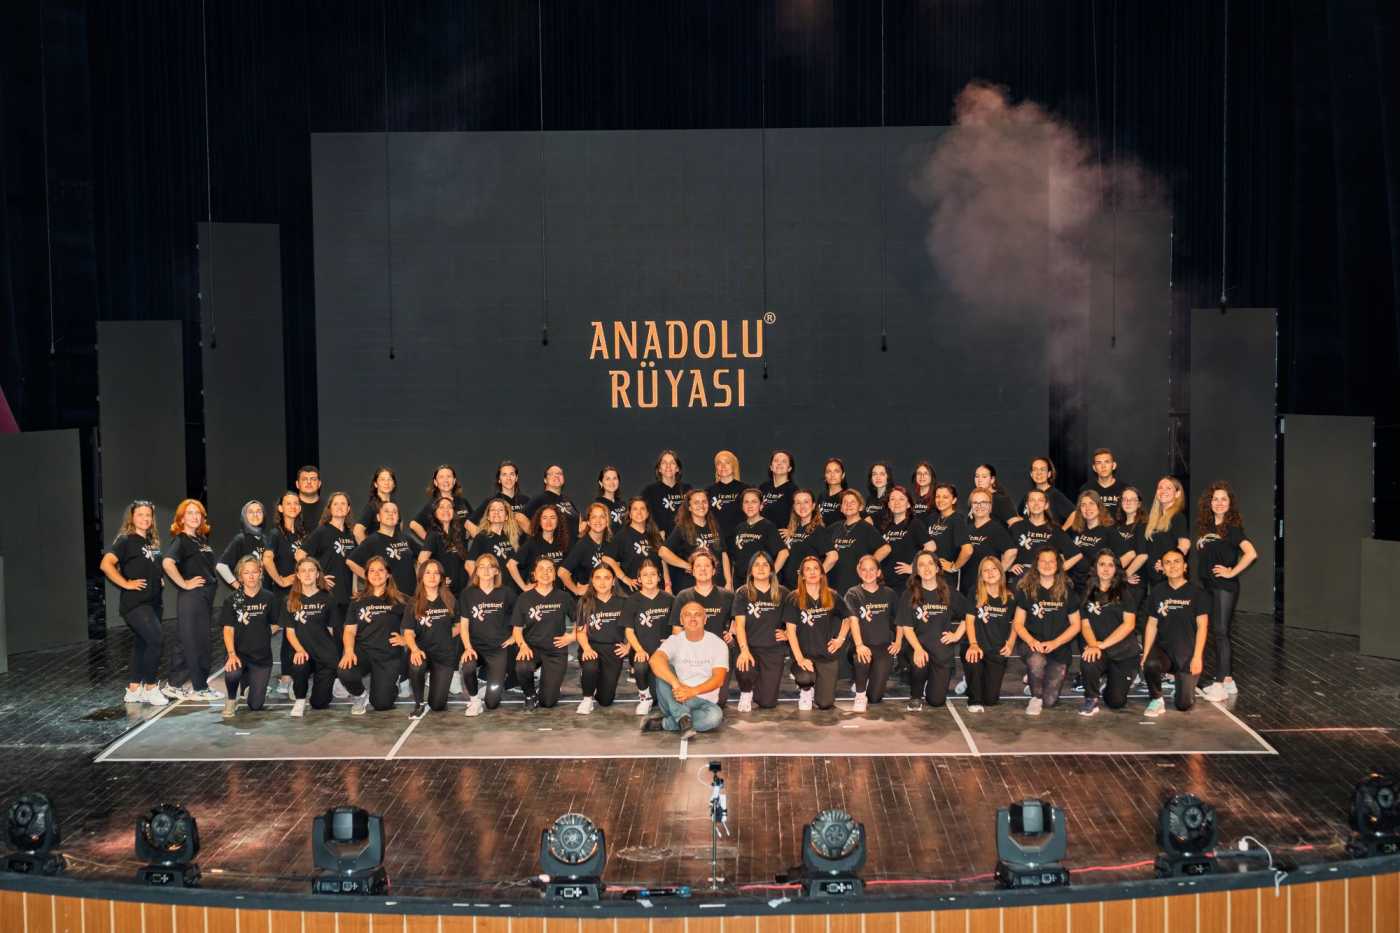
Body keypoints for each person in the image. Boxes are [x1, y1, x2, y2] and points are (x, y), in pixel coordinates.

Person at [100, 500, 167, 706]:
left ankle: (133, 689)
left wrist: (158, 578)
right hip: (136, 603)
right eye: (140, 515)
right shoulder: (125, 540)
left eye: (148, 515)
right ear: (132, 518)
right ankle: (150, 688)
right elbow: (106, 564)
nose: (145, 518)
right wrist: (126, 583)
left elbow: (151, 566)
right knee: (156, 640)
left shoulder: (151, 542)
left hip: (154, 602)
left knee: (142, 643)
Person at [1195, 481, 1257, 701]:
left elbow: (1251, 553)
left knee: (1221, 632)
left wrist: (1232, 572)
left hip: (1224, 587)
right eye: (1215, 499)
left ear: (1230, 503)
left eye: (1224, 499)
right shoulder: (1206, 528)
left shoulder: (1232, 529)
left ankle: (1219, 684)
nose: (1219, 503)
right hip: (1208, 585)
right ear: (1209, 503)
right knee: (1217, 632)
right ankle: (1229, 681)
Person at [641, 601, 728, 739]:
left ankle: (666, 723)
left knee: (714, 717)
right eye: (687, 615)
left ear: (705, 619)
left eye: (697, 614)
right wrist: (677, 685)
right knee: (663, 668)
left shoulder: (718, 644)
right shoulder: (674, 640)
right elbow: (654, 660)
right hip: (675, 698)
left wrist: (692, 691)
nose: (692, 618)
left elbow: (718, 680)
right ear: (681, 620)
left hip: (702, 701)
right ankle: (682, 717)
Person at [1011, 547, 1082, 715]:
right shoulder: (1026, 590)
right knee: (1037, 661)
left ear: (1058, 565)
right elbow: (1018, 623)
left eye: (1051, 561)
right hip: (1033, 645)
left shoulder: (1068, 591)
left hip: (1058, 647)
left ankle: (1035, 681)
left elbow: (1076, 625)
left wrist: (1055, 643)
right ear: (1036, 564)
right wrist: (1031, 641)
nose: (1047, 565)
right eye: (1043, 561)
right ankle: (1035, 697)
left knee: (1049, 701)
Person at [896, 551, 971, 710]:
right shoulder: (909, 594)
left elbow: (969, 614)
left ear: (937, 568)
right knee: (919, 663)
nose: (926, 568)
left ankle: (930, 681)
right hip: (918, 646)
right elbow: (907, 627)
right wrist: (917, 649)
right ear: (916, 570)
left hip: (941, 651)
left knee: (936, 701)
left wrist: (957, 635)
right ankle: (916, 695)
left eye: (930, 563)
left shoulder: (949, 592)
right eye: (921, 565)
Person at [161, 499, 219, 700]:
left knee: (184, 640)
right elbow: (168, 563)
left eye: (198, 513)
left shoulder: (200, 539)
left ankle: (173, 685)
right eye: (190, 513)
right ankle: (200, 688)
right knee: (197, 641)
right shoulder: (182, 539)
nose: (195, 517)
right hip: (192, 597)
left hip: (203, 597)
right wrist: (184, 583)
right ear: (182, 518)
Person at [1141, 549, 1210, 716]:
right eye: (1168, 562)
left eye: (1177, 561)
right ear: (1163, 568)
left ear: (1185, 566)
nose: (1172, 566)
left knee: (1184, 705)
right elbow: (1152, 624)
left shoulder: (1197, 593)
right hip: (1164, 651)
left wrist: (1197, 657)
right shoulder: (1157, 591)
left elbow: (1203, 626)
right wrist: (1146, 653)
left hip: (1187, 654)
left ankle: (1180, 683)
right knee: (1150, 664)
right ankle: (1157, 699)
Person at [337, 555, 408, 714]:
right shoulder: (357, 600)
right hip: (363, 652)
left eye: (381, 570)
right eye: (372, 571)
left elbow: (420, 621)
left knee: (382, 704)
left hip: (388, 655)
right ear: (366, 575)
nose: (376, 574)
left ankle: (395, 680)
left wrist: (406, 640)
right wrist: (348, 652)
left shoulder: (400, 599)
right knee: (345, 671)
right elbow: (349, 630)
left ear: (388, 574)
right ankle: (360, 695)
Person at [1078, 550, 1142, 715]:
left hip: (1123, 652)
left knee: (1116, 702)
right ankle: (1091, 698)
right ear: (1095, 567)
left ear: (1116, 569)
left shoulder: (1125, 592)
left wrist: (1102, 645)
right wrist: (1094, 645)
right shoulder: (1086, 592)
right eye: (1102, 564)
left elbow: (1128, 625)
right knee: (1089, 659)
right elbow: (1085, 625)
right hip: (1099, 648)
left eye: (1110, 565)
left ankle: (1110, 684)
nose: (1106, 569)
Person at [668, 550, 735, 704]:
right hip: (691, 655)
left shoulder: (728, 596)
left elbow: (737, 622)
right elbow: (677, 630)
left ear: (714, 570)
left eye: (707, 566)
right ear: (692, 571)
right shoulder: (683, 596)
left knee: (719, 701)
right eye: (698, 566)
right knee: (689, 698)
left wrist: (732, 633)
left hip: (718, 655)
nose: (703, 569)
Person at [782, 556, 848, 711]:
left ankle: (818, 686)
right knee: (805, 677)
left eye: (816, 568)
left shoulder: (832, 595)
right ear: (802, 575)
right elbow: (790, 631)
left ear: (822, 573)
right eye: (808, 569)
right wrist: (800, 658)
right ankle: (806, 690)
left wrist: (840, 639)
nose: (812, 572)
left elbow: (848, 617)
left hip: (826, 656)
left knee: (825, 704)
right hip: (805, 655)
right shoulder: (794, 597)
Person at [510, 557, 576, 709]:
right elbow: (517, 629)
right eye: (541, 569)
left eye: (550, 570)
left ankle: (548, 686)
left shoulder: (564, 597)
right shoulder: (524, 598)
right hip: (531, 647)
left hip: (556, 650)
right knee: (523, 666)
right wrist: (523, 646)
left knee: (548, 702)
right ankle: (530, 694)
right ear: (534, 574)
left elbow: (579, 622)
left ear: (554, 575)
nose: (545, 573)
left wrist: (572, 636)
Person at [282, 556, 344, 716]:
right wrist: (299, 650)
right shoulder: (290, 600)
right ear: (297, 575)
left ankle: (327, 684)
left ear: (317, 574)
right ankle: (300, 699)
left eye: (311, 570)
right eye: (303, 571)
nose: (307, 574)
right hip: (303, 652)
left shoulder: (328, 598)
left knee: (319, 703)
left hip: (324, 654)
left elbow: (333, 631)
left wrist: (335, 658)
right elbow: (290, 632)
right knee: (300, 664)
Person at [457, 554, 518, 716]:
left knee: (492, 703)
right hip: (475, 646)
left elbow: (521, 617)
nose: (486, 570)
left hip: (498, 648)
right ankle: (474, 700)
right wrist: (468, 648)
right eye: (481, 567)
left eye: (490, 567)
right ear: (476, 571)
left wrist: (514, 636)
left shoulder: (506, 593)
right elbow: (464, 625)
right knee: (468, 666)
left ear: (496, 571)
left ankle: (491, 688)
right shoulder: (467, 594)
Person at [220, 555, 279, 718]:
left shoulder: (269, 597)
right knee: (233, 672)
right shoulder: (232, 599)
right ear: (240, 577)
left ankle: (249, 686)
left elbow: (275, 624)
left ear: (260, 573)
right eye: (246, 573)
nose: (251, 576)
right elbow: (228, 629)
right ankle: (231, 699)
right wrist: (231, 654)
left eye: (254, 572)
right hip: (238, 654)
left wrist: (262, 634)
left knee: (255, 705)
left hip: (261, 657)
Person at [400, 560, 459, 718]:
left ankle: (435, 684)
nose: (432, 576)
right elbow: (408, 632)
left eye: (436, 573)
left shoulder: (450, 599)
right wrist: (414, 649)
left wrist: (443, 636)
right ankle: (419, 703)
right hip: (422, 652)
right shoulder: (413, 603)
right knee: (416, 664)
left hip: (444, 655)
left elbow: (459, 625)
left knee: (438, 705)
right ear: (421, 577)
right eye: (428, 572)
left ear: (441, 577)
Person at [732, 551, 789, 712]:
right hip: (750, 647)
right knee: (745, 668)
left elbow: (794, 620)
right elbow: (739, 626)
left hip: (773, 650)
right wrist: (744, 650)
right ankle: (746, 692)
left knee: (767, 702)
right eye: (756, 565)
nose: (761, 568)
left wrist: (787, 633)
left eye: (765, 564)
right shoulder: (743, 593)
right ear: (751, 570)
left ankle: (758, 688)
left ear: (771, 569)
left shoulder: (783, 593)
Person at [261, 491, 305, 696]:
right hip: (284, 593)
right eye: (288, 503)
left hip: (302, 591)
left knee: (298, 634)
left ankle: (295, 676)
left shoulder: (303, 534)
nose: (293, 506)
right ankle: (284, 678)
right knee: (287, 634)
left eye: (296, 503)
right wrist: (279, 579)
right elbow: (267, 559)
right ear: (280, 508)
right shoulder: (275, 534)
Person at [621, 558, 676, 717]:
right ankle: (644, 698)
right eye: (645, 575)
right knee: (640, 666)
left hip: (664, 653)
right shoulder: (632, 601)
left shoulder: (670, 599)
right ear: (639, 579)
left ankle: (658, 693)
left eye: (653, 574)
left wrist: (671, 642)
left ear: (659, 577)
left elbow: (677, 627)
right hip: (643, 651)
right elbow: (629, 631)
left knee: (660, 700)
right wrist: (638, 649)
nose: (649, 578)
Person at [963, 557, 1018, 712]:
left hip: (996, 650)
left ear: (1001, 572)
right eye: (985, 570)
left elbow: (1017, 622)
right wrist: (973, 644)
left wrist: (1010, 643)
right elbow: (969, 620)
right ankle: (973, 697)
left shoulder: (1011, 596)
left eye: (994, 569)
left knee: (990, 700)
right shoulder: (975, 593)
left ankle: (973, 682)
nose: (990, 573)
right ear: (981, 575)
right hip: (976, 647)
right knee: (977, 694)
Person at [845, 555, 900, 711]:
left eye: (872, 569)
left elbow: (900, 620)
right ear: (859, 572)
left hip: (882, 646)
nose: (868, 573)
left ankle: (867, 680)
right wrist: (859, 645)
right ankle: (860, 694)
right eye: (864, 569)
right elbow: (853, 620)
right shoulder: (853, 593)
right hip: (861, 644)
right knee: (861, 659)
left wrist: (898, 641)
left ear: (878, 572)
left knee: (875, 698)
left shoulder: (889, 593)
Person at [574, 564, 629, 713]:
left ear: (613, 581)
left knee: (605, 700)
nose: (602, 582)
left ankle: (594, 681)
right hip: (591, 646)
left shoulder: (624, 602)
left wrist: (628, 646)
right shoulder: (585, 602)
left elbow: (632, 629)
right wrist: (586, 649)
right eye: (598, 578)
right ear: (592, 580)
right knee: (590, 666)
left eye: (607, 578)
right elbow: (580, 632)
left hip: (613, 650)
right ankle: (587, 699)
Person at [347, 500, 424, 596]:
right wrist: (372, 580)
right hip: (386, 597)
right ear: (378, 517)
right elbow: (351, 562)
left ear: (398, 518)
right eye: (386, 511)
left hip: (410, 596)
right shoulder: (372, 541)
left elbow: (424, 556)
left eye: (394, 512)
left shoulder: (406, 538)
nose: (391, 514)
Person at [660, 489, 729, 592]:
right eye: (696, 502)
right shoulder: (682, 528)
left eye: (704, 501)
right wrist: (687, 565)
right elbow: (663, 552)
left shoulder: (715, 526)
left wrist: (729, 582)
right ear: (689, 507)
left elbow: (724, 555)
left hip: (716, 584)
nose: (701, 505)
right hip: (691, 585)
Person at [1065, 491, 1133, 593]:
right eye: (1083, 505)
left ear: (1099, 507)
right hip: (1073, 585)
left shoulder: (1108, 531)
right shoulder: (1075, 529)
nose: (1087, 508)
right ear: (1079, 509)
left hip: (1095, 587)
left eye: (1091, 504)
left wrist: (1114, 574)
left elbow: (1130, 554)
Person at [824, 489, 888, 594]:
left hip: (856, 585)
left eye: (852, 502)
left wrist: (868, 566)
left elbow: (886, 548)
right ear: (841, 508)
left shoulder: (866, 528)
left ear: (860, 507)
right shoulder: (834, 528)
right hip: (833, 584)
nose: (848, 505)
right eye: (845, 502)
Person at [301, 492, 357, 613]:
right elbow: (300, 554)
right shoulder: (322, 531)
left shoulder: (351, 535)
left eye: (343, 504)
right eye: (335, 504)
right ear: (330, 509)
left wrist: (355, 589)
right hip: (327, 594)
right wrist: (317, 579)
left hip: (347, 596)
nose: (339, 507)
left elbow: (354, 564)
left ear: (348, 509)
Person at [877, 485, 933, 593]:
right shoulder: (884, 526)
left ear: (908, 504)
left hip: (906, 584)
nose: (896, 502)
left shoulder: (914, 524)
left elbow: (931, 546)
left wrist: (914, 568)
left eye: (901, 499)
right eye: (892, 499)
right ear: (888, 504)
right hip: (885, 583)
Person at [727, 488, 786, 590]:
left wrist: (770, 575)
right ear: (742, 506)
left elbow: (784, 553)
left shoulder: (768, 527)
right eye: (746, 502)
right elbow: (733, 560)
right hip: (740, 584)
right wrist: (731, 582)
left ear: (761, 506)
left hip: (760, 583)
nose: (750, 505)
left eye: (754, 502)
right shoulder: (739, 528)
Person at [1139, 477, 1193, 588]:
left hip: (1170, 579)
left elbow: (1185, 545)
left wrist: (1167, 564)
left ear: (1177, 493)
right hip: (1155, 579)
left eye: (1168, 488)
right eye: (1160, 488)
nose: (1163, 491)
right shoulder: (1154, 519)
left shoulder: (1177, 517)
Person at [605, 496, 666, 592]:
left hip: (657, 590)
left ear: (647, 513)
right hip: (633, 592)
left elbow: (663, 561)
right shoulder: (622, 536)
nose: (639, 512)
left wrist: (668, 584)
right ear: (630, 514)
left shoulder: (655, 535)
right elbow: (607, 558)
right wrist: (624, 578)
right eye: (635, 509)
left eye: (642, 509)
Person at [961, 489, 1016, 595]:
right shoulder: (967, 529)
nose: (979, 506)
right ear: (971, 506)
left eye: (983, 502)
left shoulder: (996, 528)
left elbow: (1012, 551)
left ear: (990, 506)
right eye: (975, 503)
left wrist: (997, 574)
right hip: (967, 587)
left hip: (987, 589)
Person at [1009, 488, 1073, 580]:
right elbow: (1004, 551)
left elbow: (1076, 555)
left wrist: (1058, 570)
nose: (1036, 504)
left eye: (1040, 500)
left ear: (1046, 505)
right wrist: (1009, 566)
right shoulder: (1016, 527)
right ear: (1027, 505)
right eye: (1032, 500)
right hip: (1021, 576)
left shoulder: (1055, 529)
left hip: (1046, 578)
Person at [507, 503, 573, 591]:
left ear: (558, 521)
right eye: (544, 518)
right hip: (539, 593)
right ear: (540, 522)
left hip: (558, 592)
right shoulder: (532, 542)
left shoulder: (563, 541)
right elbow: (511, 564)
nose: (548, 521)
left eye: (552, 518)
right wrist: (524, 587)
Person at [779, 490, 830, 589]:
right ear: (794, 507)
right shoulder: (793, 529)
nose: (802, 506)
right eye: (798, 503)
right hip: (789, 587)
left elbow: (833, 556)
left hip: (807, 588)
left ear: (813, 506)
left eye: (806, 502)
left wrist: (815, 576)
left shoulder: (818, 530)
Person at [408, 465, 473, 542]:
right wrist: (431, 542)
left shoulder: (463, 502)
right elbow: (413, 524)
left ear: (454, 481)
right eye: (441, 477)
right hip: (443, 550)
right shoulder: (433, 505)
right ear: (435, 482)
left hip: (462, 549)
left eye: (449, 476)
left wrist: (470, 533)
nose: (446, 480)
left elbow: (475, 522)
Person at [466, 497, 521, 587]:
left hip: (510, 589)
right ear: (488, 516)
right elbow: (469, 564)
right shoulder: (482, 537)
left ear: (506, 516)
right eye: (493, 510)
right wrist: (482, 584)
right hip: (492, 588)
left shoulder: (511, 537)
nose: (496, 512)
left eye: (500, 510)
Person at [560, 502, 613, 595]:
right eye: (594, 517)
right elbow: (562, 572)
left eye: (602, 517)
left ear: (607, 521)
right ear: (588, 522)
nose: (598, 520)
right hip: (588, 598)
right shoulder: (581, 545)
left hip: (603, 595)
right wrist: (576, 590)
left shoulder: (609, 543)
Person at [926, 484, 972, 591]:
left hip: (946, 579)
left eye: (945, 497)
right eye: (938, 496)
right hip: (930, 575)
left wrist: (954, 567)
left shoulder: (957, 520)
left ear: (954, 500)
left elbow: (968, 550)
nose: (940, 500)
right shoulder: (933, 518)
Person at [421, 496, 470, 596]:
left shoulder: (459, 531)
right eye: (442, 507)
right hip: (444, 590)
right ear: (435, 513)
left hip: (463, 589)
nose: (446, 510)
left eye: (449, 507)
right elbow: (422, 560)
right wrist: (438, 580)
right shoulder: (433, 534)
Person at [640, 450, 690, 536]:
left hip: (684, 538)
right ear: (659, 469)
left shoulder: (687, 490)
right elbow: (643, 517)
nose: (668, 466)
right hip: (659, 540)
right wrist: (655, 533)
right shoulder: (649, 491)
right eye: (664, 463)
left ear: (677, 468)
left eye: (672, 463)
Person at [216, 500, 267, 587]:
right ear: (244, 516)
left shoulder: (265, 539)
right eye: (250, 512)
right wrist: (238, 587)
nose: (255, 515)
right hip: (248, 593)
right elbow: (221, 566)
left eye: (259, 511)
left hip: (264, 592)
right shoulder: (241, 539)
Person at [468, 460, 530, 530]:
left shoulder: (526, 500)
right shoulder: (492, 501)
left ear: (516, 478)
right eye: (504, 475)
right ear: (499, 480)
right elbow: (468, 524)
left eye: (512, 474)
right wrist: (482, 537)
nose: (508, 478)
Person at [1074, 448, 1128, 525]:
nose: (1103, 466)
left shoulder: (1125, 490)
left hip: (1118, 531)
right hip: (1094, 531)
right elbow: (1079, 515)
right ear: (1094, 468)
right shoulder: (1086, 489)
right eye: (1099, 463)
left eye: (1107, 462)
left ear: (1114, 465)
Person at [707, 450, 746, 538]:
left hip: (739, 538)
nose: (723, 466)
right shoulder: (708, 491)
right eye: (719, 463)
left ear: (734, 466)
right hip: (716, 539)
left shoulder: (745, 490)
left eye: (727, 463)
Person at [353, 467, 397, 543]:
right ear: (376, 484)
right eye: (382, 479)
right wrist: (369, 549)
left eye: (389, 479)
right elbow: (357, 531)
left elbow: (399, 528)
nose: (386, 483)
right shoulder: (372, 506)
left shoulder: (394, 505)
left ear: (394, 484)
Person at [1024, 457, 1074, 524]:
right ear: (1031, 474)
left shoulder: (1055, 495)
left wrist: (1061, 530)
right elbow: (1020, 515)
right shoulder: (1029, 495)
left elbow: (1075, 514)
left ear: (1049, 474)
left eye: (1042, 469)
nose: (1039, 473)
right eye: (1035, 469)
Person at [1114, 486, 1148, 582]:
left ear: (1139, 504)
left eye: (1132, 499)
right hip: (1117, 577)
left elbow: (1143, 556)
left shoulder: (1143, 526)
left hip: (1134, 579)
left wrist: (1124, 575)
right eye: (1125, 499)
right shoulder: (1117, 526)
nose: (1128, 502)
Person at [758, 450, 796, 527]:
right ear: (771, 467)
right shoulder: (763, 487)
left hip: (778, 533)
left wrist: (792, 529)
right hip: (761, 531)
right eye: (776, 460)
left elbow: (798, 515)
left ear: (789, 468)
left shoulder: (793, 490)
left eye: (784, 461)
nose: (779, 463)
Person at [591, 465, 627, 529]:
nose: (612, 482)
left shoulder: (623, 504)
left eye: (614, 478)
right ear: (601, 483)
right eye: (608, 479)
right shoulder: (598, 505)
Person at [293, 465, 323, 536]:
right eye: (304, 479)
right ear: (297, 484)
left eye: (313, 479)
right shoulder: (289, 507)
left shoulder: (329, 507)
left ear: (319, 484)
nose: (309, 482)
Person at [817, 458, 847, 526]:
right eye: (828, 471)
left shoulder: (847, 496)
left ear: (843, 475)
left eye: (836, 471)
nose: (832, 475)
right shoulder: (822, 496)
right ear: (825, 476)